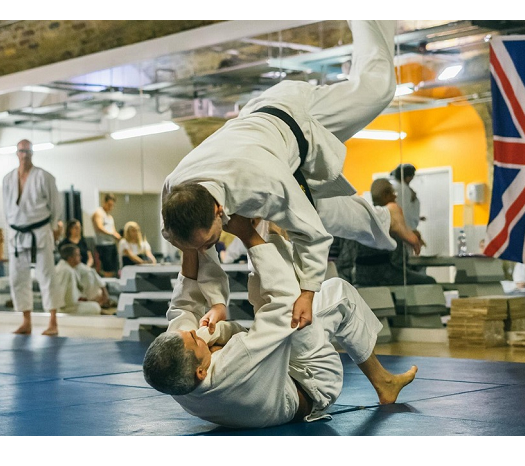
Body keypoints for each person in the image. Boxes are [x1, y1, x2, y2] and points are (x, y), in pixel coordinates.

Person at [160, 20, 398, 331]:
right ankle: (388, 224)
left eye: (212, 239)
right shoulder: (175, 202)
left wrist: (307, 293)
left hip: (297, 114)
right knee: (322, 210)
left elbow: (313, 236)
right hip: (263, 138)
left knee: (379, 90)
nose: (208, 247)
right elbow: (196, 254)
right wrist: (217, 302)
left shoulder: (261, 184)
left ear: (219, 211)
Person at [142, 215, 416, 429]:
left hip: (276, 374)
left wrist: (190, 246)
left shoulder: (174, 373)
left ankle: (383, 382)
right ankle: (273, 227)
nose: (194, 334)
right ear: (201, 372)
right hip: (313, 382)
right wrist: (248, 234)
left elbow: (182, 305)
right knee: (332, 295)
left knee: (270, 297)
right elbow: (286, 305)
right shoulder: (233, 367)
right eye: (195, 340)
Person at [1, 139, 64, 336]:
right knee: (18, 278)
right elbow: (6, 208)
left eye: (27, 151)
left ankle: (53, 321)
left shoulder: (44, 177)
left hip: (40, 231)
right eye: (21, 151)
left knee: (47, 276)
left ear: (32, 153)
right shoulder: (7, 179)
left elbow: (56, 206)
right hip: (17, 234)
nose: (25, 154)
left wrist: (53, 227)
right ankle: (26, 321)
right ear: (16, 153)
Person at [340, 179, 432, 287]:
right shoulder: (390, 223)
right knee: (430, 281)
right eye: (393, 193)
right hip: (387, 278)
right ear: (385, 195)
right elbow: (399, 261)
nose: (395, 197)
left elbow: (346, 259)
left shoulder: (362, 221)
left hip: (362, 279)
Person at [51, 244, 109, 315]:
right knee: (95, 307)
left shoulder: (70, 268)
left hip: (71, 304)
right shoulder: (65, 270)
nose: (80, 257)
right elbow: (60, 292)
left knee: (94, 305)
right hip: (65, 308)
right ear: (70, 258)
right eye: (77, 255)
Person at [91, 193, 122, 277]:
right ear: (104, 202)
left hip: (111, 245)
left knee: (113, 267)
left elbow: (113, 230)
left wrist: (118, 237)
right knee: (106, 268)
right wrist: (112, 234)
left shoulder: (109, 216)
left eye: (112, 205)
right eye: (109, 205)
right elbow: (99, 227)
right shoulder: (99, 213)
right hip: (103, 246)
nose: (110, 207)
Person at [389, 164, 423, 231]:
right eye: (412, 177)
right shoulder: (403, 189)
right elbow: (405, 210)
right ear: (408, 177)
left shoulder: (398, 186)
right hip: (406, 227)